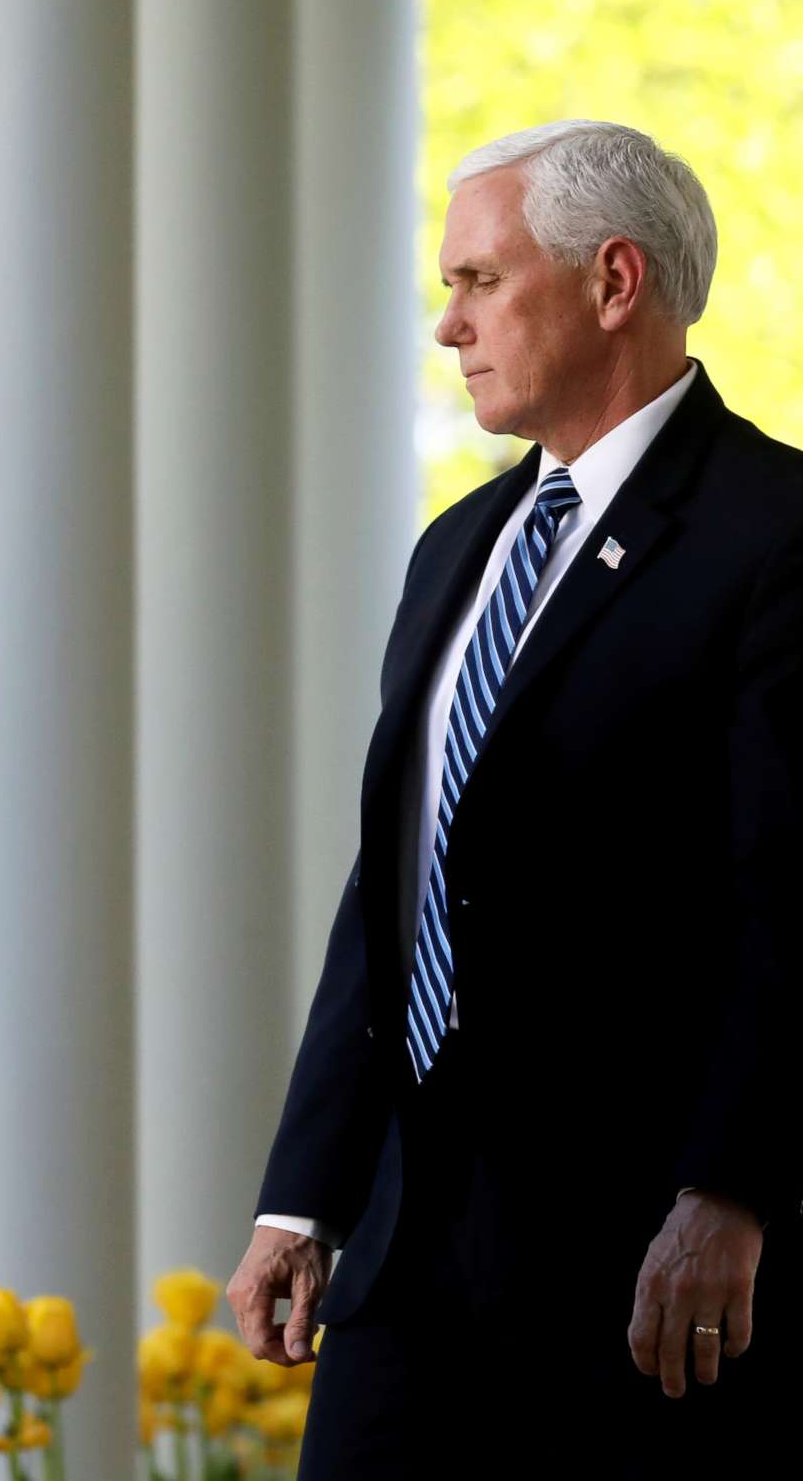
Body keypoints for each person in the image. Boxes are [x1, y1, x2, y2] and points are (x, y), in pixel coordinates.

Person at [227, 120, 797, 1477]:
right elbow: (398, 884)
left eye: (481, 281)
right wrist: (302, 1196)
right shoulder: (457, 547)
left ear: (614, 283)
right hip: (408, 1255)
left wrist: (732, 1188)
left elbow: (794, 897)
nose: (446, 326)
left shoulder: (775, 533)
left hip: (648, 1277)